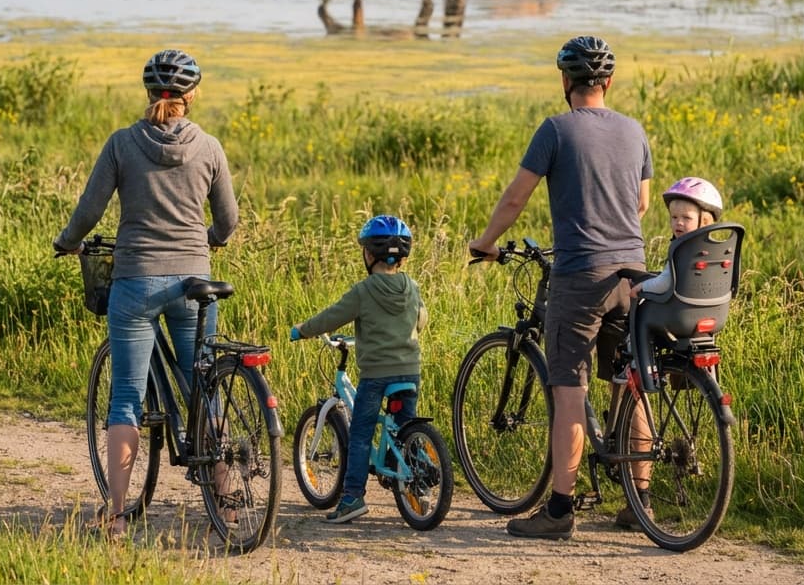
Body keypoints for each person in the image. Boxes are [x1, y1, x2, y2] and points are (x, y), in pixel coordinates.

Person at [468, 35, 652, 540]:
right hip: (631, 275)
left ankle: (560, 511)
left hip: (580, 277)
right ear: (608, 82)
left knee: (569, 389)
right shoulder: (634, 131)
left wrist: (485, 243)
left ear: (565, 82)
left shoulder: (555, 130)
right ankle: (641, 502)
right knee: (631, 384)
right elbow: (640, 203)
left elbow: (514, 200)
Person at [54, 49, 238, 539]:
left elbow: (90, 210)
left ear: (149, 94)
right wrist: (210, 240)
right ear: (190, 96)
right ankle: (228, 499)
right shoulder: (211, 147)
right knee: (203, 384)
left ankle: (116, 516)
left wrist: (68, 242)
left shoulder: (122, 144)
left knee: (127, 398)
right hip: (194, 284)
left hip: (135, 282)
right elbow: (228, 222)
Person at [289, 215, 428, 524]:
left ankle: (352, 498)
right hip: (410, 369)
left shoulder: (364, 291)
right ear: (403, 256)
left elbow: (332, 317)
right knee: (404, 428)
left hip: (376, 374)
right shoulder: (412, 286)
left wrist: (303, 330)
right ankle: (415, 487)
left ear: (368, 253)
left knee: (361, 433)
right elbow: (421, 319)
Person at [632, 177, 723, 299]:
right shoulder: (718, 250)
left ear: (705, 221)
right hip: (712, 309)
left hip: (677, 311)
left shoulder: (681, 250)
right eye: (674, 217)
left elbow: (664, 284)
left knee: (634, 296)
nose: (679, 222)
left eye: (686, 218)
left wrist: (641, 287)